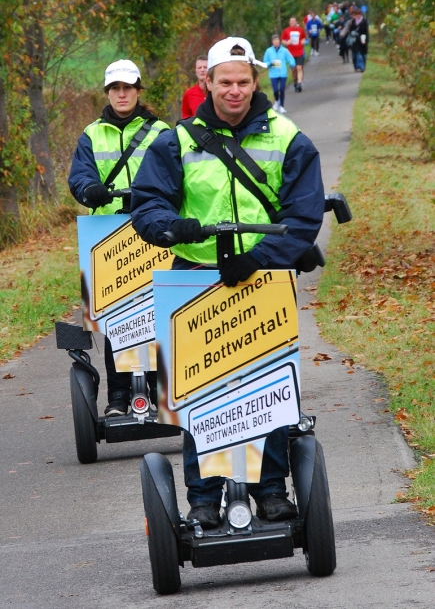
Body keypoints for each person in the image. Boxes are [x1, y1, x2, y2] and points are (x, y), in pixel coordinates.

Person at [130, 37, 324, 529]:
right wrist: (171, 227)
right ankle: (202, 497)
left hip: (262, 278)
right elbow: (148, 202)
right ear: (207, 82)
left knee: (268, 387)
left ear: (255, 81)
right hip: (194, 278)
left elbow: (302, 216)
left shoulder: (287, 137)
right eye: (224, 82)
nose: (234, 91)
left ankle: (272, 489)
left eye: (242, 82)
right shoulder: (177, 140)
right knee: (202, 391)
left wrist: (259, 257)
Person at [68, 59, 170, 417]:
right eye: (115, 89)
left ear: (138, 91)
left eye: (128, 88)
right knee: (118, 320)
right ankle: (118, 398)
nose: (122, 94)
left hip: (154, 232)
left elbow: (178, 176)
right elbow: (79, 176)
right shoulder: (92, 134)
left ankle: (162, 392)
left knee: (159, 315)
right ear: (108, 93)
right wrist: (90, 189)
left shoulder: (161, 131)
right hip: (108, 238)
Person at [263, 34, 296, 113]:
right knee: (275, 90)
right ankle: (277, 101)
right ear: (272, 42)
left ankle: (281, 106)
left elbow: (291, 59)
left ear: (280, 41)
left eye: (277, 40)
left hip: (282, 73)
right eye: (274, 40)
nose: (276, 42)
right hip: (273, 74)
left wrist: (292, 64)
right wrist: (270, 63)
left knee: (282, 89)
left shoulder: (284, 50)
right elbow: (265, 62)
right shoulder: (269, 51)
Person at [281, 16, 306, 92]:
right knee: (294, 70)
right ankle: (295, 81)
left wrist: (303, 41)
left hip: (299, 52)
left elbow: (304, 37)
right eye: (290, 21)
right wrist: (286, 42)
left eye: (293, 21)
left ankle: (299, 83)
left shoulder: (300, 30)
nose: (291, 22)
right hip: (290, 53)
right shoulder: (286, 31)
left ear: (296, 22)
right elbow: (282, 40)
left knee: (299, 68)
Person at [349, 8, 369, 72]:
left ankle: (363, 66)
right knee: (358, 55)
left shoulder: (364, 21)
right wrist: (353, 33)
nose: (358, 16)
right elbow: (350, 30)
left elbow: (366, 32)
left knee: (364, 56)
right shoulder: (353, 22)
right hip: (356, 41)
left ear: (361, 14)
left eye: (359, 14)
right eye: (356, 14)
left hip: (363, 41)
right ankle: (361, 67)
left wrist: (366, 40)